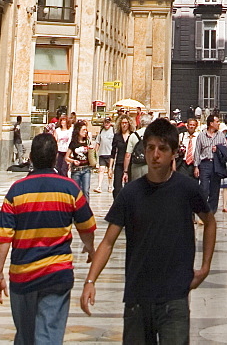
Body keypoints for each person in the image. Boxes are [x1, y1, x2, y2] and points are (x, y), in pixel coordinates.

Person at [80, 118, 217, 343]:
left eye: (162, 149)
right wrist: (90, 281)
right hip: (137, 295)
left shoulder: (186, 189)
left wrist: (205, 267)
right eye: (151, 148)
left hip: (174, 295)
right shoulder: (130, 193)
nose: (155, 155)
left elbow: (209, 222)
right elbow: (107, 242)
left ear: (174, 153)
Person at [0, 133, 97, 345]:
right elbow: (86, 226)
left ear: (31, 157)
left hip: (23, 275)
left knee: (25, 336)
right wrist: (89, 247)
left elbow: (3, 237)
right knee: (48, 335)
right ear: (53, 159)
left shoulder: (17, 191)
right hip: (57, 274)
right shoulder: (70, 188)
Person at [193, 114, 227, 213]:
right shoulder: (201, 136)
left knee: (215, 189)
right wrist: (196, 166)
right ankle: (203, 209)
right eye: (217, 122)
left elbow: (226, 149)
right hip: (205, 164)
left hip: (216, 164)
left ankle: (211, 212)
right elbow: (197, 151)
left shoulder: (221, 135)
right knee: (204, 188)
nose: (219, 124)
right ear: (211, 123)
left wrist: (218, 149)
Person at [68, 121, 93, 199]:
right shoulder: (73, 143)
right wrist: (73, 161)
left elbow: (92, 154)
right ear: (78, 131)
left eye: (86, 130)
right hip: (76, 170)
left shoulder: (87, 142)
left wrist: (91, 149)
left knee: (86, 191)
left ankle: (86, 209)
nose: (85, 132)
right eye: (83, 130)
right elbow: (66, 157)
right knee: (76, 191)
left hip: (86, 169)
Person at [110, 115, 133, 199]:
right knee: (117, 187)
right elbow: (113, 152)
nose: (124, 125)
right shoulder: (117, 136)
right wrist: (110, 168)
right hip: (119, 163)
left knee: (129, 186)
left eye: (126, 123)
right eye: (122, 123)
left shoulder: (132, 136)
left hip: (130, 164)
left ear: (129, 124)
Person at [124, 115, 148, 182]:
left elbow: (128, 155)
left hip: (136, 166)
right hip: (149, 166)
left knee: (137, 187)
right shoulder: (153, 134)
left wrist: (125, 171)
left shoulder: (133, 135)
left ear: (140, 123)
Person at [96, 118, 115, 193]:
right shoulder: (101, 131)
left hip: (110, 154)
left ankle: (110, 186)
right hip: (102, 153)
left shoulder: (113, 130)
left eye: (108, 122)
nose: (106, 124)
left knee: (110, 171)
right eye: (105, 122)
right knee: (101, 170)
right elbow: (98, 142)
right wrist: (95, 152)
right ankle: (99, 186)